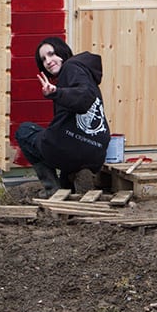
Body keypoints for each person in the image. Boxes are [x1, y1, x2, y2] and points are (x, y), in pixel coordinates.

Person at [14, 37, 111, 198]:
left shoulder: (70, 67)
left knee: (24, 131)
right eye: (43, 59)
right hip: (96, 152)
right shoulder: (84, 70)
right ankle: (77, 175)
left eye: (51, 54)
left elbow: (84, 98)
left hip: (69, 147)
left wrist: (56, 93)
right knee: (65, 178)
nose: (48, 61)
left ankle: (53, 190)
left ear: (62, 52)